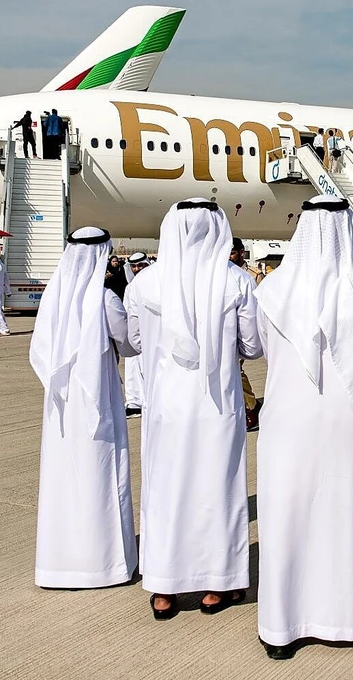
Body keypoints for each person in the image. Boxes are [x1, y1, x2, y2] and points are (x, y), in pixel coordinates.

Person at [254, 195, 353, 660]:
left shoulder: (271, 292)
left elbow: (267, 352)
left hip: (289, 421)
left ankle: (281, 628)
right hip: (349, 420)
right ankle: (350, 622)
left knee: (289, 520)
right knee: (345, 517)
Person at [124, 198, 262, 620]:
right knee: (215, 492)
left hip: (165, 408)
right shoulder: (236, 281)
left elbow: (133, 343)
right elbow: (253, 347)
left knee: (166, 493)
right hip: (217, 406)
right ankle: (215, 587)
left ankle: (164, 591)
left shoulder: (143, 283)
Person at [30, 226, 138, 589]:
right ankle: (103, 563)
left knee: (64, 476)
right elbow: (129, 345)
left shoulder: (53, 296)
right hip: (97, 397)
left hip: (61, 404)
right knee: (101, 473)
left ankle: (59, 564)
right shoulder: (104, 300)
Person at [229, 237, 263, 431]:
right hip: (232, 330)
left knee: (237, 372)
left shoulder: (253, 275)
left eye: (233, 252)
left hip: (247, 329)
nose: (230, 256)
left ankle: (251, 409)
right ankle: (250, 407)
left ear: (242, 252)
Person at [122, 252, 149, 417]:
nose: (137, 269)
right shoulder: (130, 287)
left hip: (151, 335)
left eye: (140, 265)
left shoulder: (157, 283)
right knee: (132, 368)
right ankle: (134, 402)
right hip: (133, 335)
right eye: (134, 266)